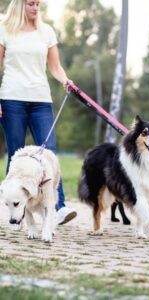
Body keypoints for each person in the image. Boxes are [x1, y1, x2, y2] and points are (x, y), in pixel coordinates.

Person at [0, 0, 76, 225]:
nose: (35, 7)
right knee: (16, 153)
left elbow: (54, 66)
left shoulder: (46, 31)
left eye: (37, 4)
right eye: (30, 3)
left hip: (41, 100)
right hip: (12, 98)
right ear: (19, 5)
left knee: (49, 153)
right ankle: (17, 209)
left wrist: (65, 80)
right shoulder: (4, 29)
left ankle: (58, 208)